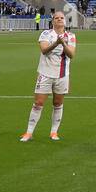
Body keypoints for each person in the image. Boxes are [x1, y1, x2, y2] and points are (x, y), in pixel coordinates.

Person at [20, 10, 76, 142]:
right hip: (45, 73)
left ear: (65, 21)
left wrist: (62, 43)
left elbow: (71, 55)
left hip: (62, 74)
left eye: (62, 18)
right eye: (57, 18)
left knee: (58, 103)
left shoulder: (71, 36)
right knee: (38, 102)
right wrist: (56, 43)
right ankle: (29, 132)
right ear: (53, 21)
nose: (59, 20)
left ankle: (54, 132)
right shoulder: (45, 34)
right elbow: (44, 50)